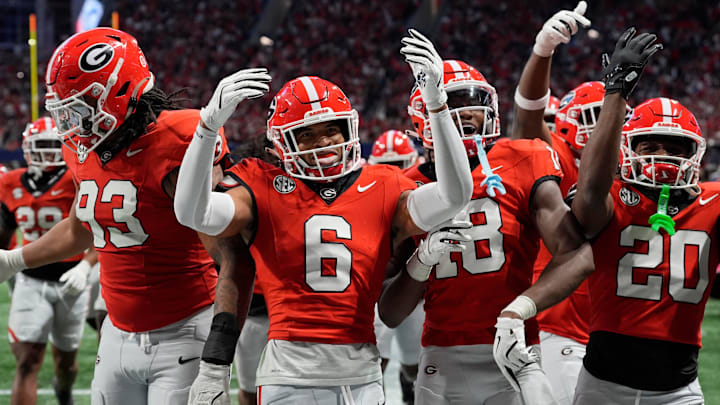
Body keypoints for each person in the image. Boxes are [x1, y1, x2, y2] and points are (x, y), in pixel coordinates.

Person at [175, 29, 474, 405]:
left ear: (350, 127)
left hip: (363, 371)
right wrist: (206, 127)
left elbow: (455, 195)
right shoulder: (262, 182)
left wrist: (437, 104)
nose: (324, 143)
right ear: (282, 143)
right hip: (290, 374)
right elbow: (192, 212)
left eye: (332, 130)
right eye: (307, 135)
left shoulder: (382, 183)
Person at [0, 27, 233, 405]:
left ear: (118, 94)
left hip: (185, 329)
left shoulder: (179, 138)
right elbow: (80, 227)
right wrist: (14, 259)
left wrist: (219, 356)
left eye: (80, 108)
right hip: (116, 331)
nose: (72, 122)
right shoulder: (83, 148)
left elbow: (228, 254)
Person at [378, 46, 594, 404]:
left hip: (515, 344)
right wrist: (421, 262)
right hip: (443, 356)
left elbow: (577, 256)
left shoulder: (523, 158)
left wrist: (520, 309)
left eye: (473, 101)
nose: (466, 112)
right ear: (424, 115)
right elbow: (390, 312)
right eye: (452, 101)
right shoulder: (405, 187)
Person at [1, 117, 98, 405]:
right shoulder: (10, 183)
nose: (46, 152)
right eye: (40, 145)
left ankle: (64, 392)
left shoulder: (78, 177)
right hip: (30, 278)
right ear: (27, 148)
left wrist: (85, 265)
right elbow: (4, 232)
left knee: (66, 363)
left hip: (73, 280)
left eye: (52, 145)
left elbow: (101, 230)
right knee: (27, 360)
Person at [367, 129, 423, 404]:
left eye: (399, 165)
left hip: (412, 285)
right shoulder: (364, 191)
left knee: (416, 365)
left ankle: (408, 382)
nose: (393, 173)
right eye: (386, 167)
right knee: (376, 361)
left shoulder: (421, 188)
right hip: (375, 289)